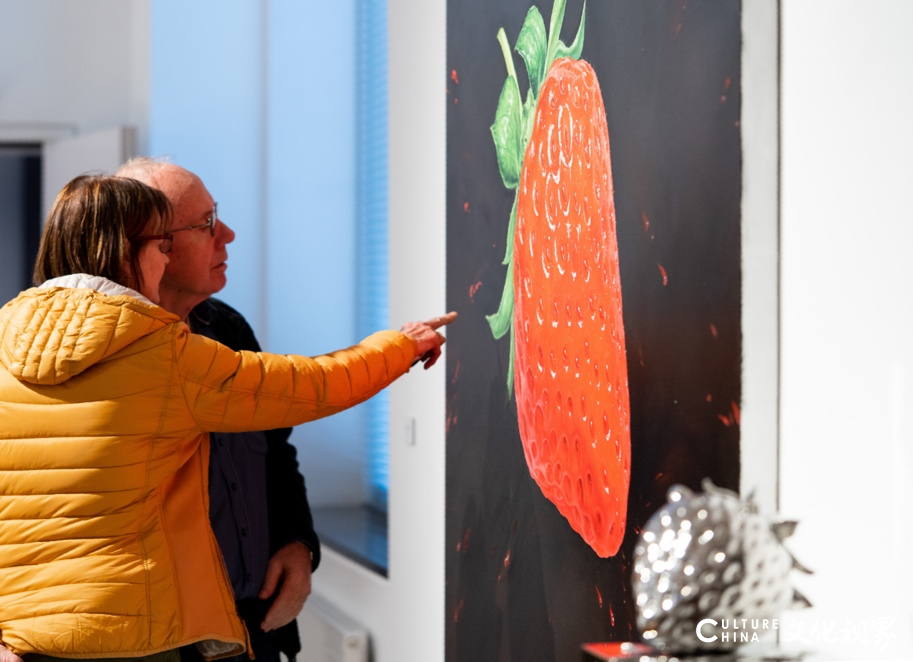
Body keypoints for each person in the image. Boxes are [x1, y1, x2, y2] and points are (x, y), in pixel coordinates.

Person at [0, 174, 455, 662]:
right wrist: (400, 346)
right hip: (136, 636)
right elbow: (309, 386)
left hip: (29, 640)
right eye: (162, 245)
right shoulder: (157, 351)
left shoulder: (7, 345)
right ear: (123, 252)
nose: (167, 256)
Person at [114, 157, 322, 662]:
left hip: (253, 632)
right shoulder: (98, 354)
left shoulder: (228, 329)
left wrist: (300, 545)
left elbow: (276, 453)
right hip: (154, 645)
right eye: (205, 224)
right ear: (152, 246)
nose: (226, 234)